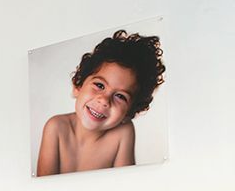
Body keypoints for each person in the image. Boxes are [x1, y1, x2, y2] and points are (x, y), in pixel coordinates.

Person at [36, 29, 166, 176]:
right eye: (99, 85)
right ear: (77, 86)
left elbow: (125, 186)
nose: (104, 100)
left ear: (128, 114)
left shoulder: (123, 133)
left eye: (120, 96)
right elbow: (43, 189)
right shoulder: (56, 127)